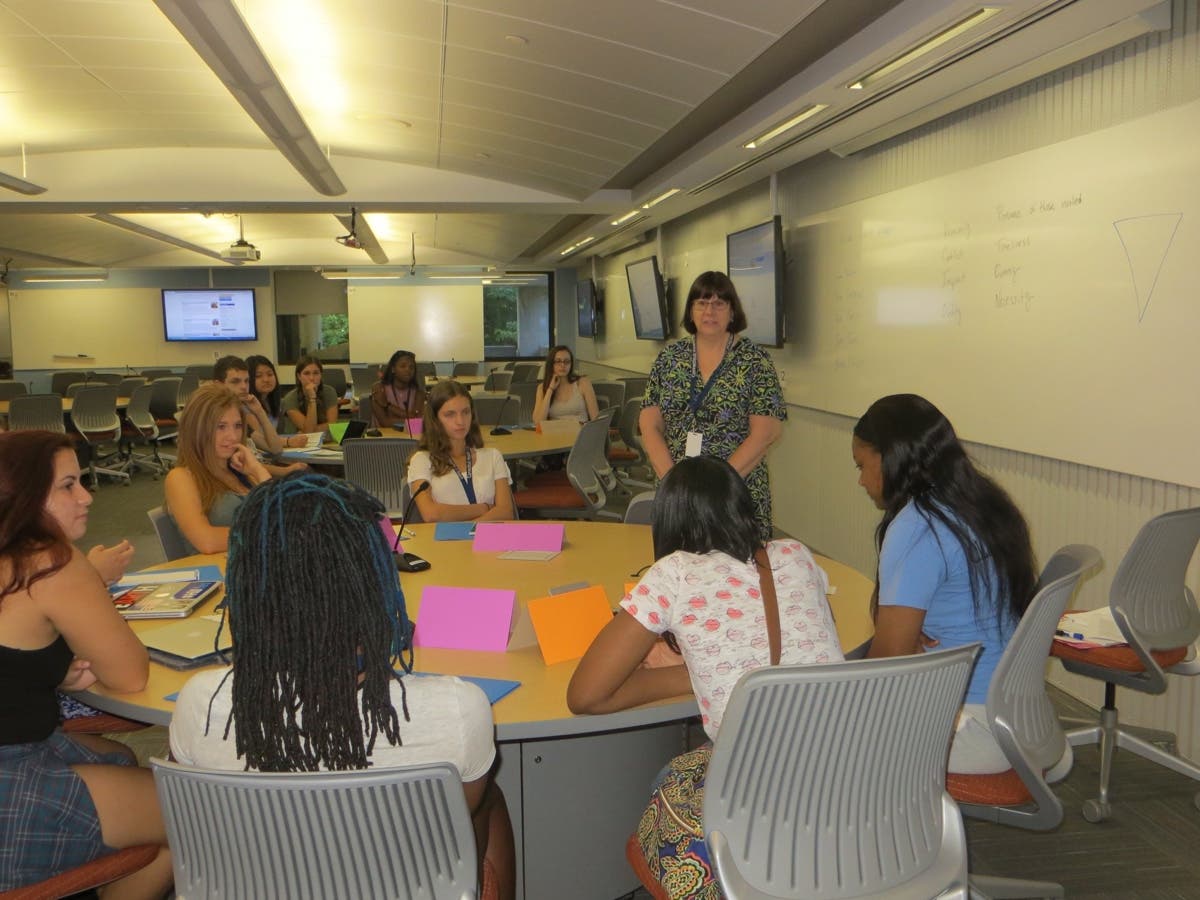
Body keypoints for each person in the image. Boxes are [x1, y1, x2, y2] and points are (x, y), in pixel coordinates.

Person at [169, 473, 514, 900]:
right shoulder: (458, 710)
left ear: (245, 584)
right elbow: (460, 827)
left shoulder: (200, 705)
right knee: (488, 801)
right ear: (373, 580)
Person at [567, 455, 841, 899]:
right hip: (853, 783)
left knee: (666, 782)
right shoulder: (795, 554)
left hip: (766, 809)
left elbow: (585, 695)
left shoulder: (675, 572)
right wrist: (703, 665)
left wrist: (685, 670)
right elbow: (806, 638)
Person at [0, 430, 172, 897]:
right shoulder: (49, 563)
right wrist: (90, 585)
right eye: (68, 485)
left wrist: (55, 671)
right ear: (24, 496)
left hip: (19, 752)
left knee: (119, 757)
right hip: (10, 789)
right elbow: (130, 674)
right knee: (195, 812)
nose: (87, 496)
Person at [852, 393, 1037, 774]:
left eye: (861, 465)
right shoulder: (983, 502)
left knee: (803, 727)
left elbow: (886, 662)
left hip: (969, 728)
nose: (860, 481)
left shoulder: (918, 526)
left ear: (890, 457)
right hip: (1021, 716)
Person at [639, 271, 786, 542]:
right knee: (679, 572)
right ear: (691, 311)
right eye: (702, 303)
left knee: (738, 577)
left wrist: (715, 488)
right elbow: (649, 423)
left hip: (734, 492)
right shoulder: (669, 358)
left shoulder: (755, 360)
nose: (710, 311)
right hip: (677, 496)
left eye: (719, 304)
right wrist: (674, 482)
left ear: (732, 311)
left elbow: (766, 433)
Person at [164, 383, 271, 554]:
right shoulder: (181, 477)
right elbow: (207, 541)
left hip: (254, 564)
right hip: (218, 573)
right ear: (197, 429)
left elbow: (281, 512)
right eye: (221, 427)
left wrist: (257, 470)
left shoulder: (241, 470)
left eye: (237, 425)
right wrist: (269, 534)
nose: (233, 436)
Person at [406, 381, 514, 523]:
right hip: (444, 543)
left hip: (489, 540)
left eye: (465, 412)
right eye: (450, 414)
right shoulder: (422, 460)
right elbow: (431, 514)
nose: (460, 421)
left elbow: (506, 512)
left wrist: (468, 529)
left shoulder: (493, 456)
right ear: (435, 420)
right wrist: (484, 508)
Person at [214, 355, 309, 454]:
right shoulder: (212, 414)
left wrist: (259, 411)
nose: (243, 386)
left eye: (246, 381)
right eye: (235, 382)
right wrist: (284, 469)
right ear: (218, 385)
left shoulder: (245, 410)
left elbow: (276, 449)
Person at [531, 345, 598, 425]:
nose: (563, 365)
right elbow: (538, 422)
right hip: (555, 435)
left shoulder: (583, 383)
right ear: (551, 364)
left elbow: (596, 419)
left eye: (566, 361)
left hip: (580, 434)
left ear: (571, 364)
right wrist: (550, 389)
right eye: (558, 361)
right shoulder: (542, 388)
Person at [278, 356, 339, 435]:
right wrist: (312, 398)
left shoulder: (330, 392)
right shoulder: (290, 398)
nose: (312, 378)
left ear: (321, 375)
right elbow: (309, 432)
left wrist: (306, 431)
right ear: (299, 376)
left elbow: (332, 426)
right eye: (306, 373)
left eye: (316, 373)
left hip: (324, 440)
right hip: (297, 443)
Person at [370, 349, 427, 427]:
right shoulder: (379, 389)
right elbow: (385, 422)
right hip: (384, 437)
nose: (408, 370)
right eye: (403, 366)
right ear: (393, 369)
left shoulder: (419, 393)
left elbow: (416, 421)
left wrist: (387, 405)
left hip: (409, 437)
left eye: (411, 367)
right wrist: (409, 418)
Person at [245, 355, 283, 426]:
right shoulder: (246, 405)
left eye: (270, 374)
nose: (266, 380)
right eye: (258, 376)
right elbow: (261, 434)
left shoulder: (274, 401)